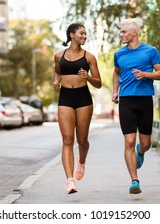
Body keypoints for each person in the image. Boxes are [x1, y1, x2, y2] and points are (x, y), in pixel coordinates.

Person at [111, 18, 160, 194]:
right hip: (126, 101)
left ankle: (140, 152)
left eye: (124, 31)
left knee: (145, 143)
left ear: (135, 32)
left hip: (145, 100)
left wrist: (145, 75)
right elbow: (116, 73)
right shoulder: (119, 54)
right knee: (129, 141)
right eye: (120, 31)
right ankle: (135, 181)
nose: (121, 34)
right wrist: (114, 90)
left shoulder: (150, 51)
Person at [53, 23, 102, 194]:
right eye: (81, 33)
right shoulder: (59, 56)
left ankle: (81, 161)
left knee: (82, 140)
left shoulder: (89, 58)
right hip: (65, 98)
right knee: (67, 139)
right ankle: (70, 181)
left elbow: (99, 83)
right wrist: (56, 81)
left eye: (85, 34)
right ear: (72, 35)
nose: (84, 36)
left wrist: (87, 77)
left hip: (83, 99)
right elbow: (58, 71)